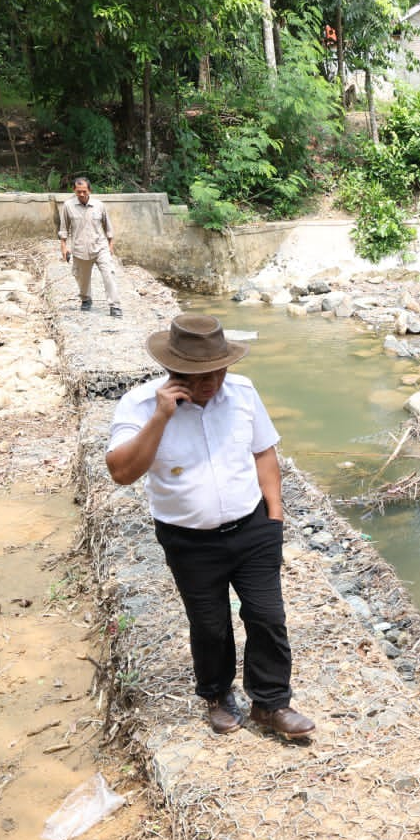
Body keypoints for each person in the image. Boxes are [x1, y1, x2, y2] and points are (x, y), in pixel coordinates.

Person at [106, 314, 315, 740]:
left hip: (253, 529)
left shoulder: (242, 392)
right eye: (195, 376)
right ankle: (218, 697)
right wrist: (161, 418)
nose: (208, 383)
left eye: (215, 373)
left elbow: (264, 453)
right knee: (209, 623)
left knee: (267, 616)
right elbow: (122, 472)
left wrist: (274, 518)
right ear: (172, 370)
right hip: (189, 541)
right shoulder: (141, 405)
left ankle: (272, 703)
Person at [58, 177, 122, 317]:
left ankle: (115, 306)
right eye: (78, 191)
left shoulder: (99, 205)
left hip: (100, 247)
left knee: (109, 274)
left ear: (90, 190)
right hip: (80, 249)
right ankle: (86, 299)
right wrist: (64, 247)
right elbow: (64, 229)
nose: (81, 194)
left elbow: (108, 226)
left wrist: (110, 245)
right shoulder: (68, 206)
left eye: (84, 191)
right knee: (82, 278)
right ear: (74, 190)